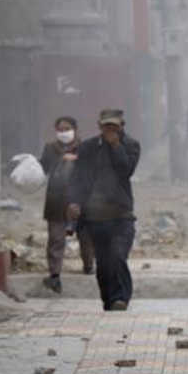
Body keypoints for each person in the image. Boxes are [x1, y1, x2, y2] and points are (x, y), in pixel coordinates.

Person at [66, 109, 141, 311]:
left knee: (118, 255)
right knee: (104, 263)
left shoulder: (130, 145)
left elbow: (126, 170)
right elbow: (77, 178)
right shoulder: (88, 147)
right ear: (99, 126)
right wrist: (73, 202)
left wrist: (116, 145)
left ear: (121, 126)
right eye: (106, 126)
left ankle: (121, 299)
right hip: (95, 217)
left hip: (121, 215)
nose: (110, 130)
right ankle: (109, 301)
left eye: (114, 126)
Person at [39, 116, 95, 293]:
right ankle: (54, 276)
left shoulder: (86, 148)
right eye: (60, 129)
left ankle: (88, 266)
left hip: (81, 198)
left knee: (85, 236)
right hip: (56, 199)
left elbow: (93, 170)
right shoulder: (50, 148)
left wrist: (75, 160)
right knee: (56, 238)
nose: (63, 132)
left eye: (67, 128)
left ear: (75, 130)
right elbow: (43, 169)